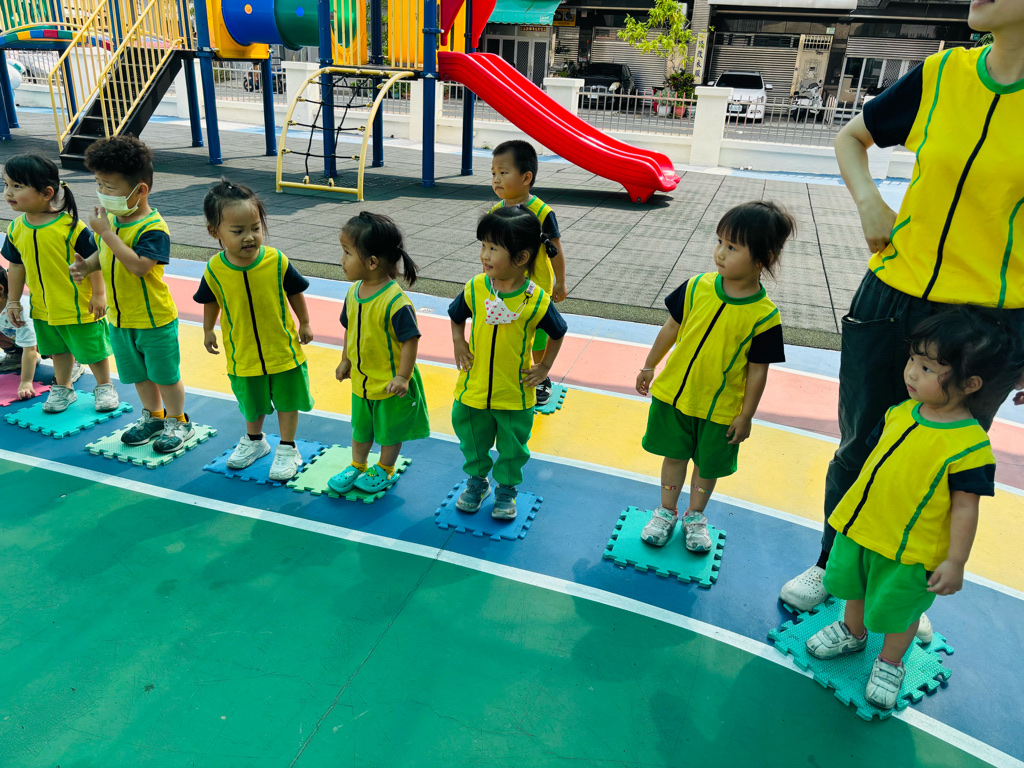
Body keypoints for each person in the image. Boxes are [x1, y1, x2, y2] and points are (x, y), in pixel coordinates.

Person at [780, 0, 1024, 617]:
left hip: (989, 326)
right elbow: (851, 137)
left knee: (939, 464)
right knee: (861, 443)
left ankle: (903, 590)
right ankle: (833, 562)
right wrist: (869, 202)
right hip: (894, 297)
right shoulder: (943, 73)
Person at [805, 308, 1023, 710]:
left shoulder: (970, 447)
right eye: (912, 359)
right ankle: (853, 632)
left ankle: (891, 661)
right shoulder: (899, 412)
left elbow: (965, 509)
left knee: (901, 609)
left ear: (970, 383)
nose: (911, 373)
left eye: (927, 368)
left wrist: (955, 561)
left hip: (911, 551)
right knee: (854, 586)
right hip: (863, 528)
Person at [636, 201, 792, 552]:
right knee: (673, 457)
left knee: (707, 467)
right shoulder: (696, 287)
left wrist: (746, 415)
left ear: (763, 258)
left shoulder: (765, 317)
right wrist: (649, 365)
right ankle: (666, 511)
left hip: (720, 411)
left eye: (732, 247)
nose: (720, 253)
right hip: (675, 397)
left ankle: (695, 516)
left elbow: (758, 371)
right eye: (719, 242)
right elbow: (671, 328)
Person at [68, 135, 193, 453]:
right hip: (120, 319)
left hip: (153, 319)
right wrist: (87, 266)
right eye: (99, 184)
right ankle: (154, 416)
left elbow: (138, 266)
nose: (102, 192)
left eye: (109, 186)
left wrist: (106, 234)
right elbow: (106, 255)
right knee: (138, 375)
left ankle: (179, 421)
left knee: (165, 376)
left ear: (140, 190)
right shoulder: (112, 220)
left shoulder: (153, 228)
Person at [448, 206, 568, 519]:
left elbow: (558, 331)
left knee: (513, 447)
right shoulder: (476, 287)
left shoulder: (536, 299)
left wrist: (544, 368)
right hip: (473, 389)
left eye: (493, 248)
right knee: (472, 440)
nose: (484, 255)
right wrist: (459, 342)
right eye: (483, 246)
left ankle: (506, 489)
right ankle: (477, 482)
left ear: (521, 257)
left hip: (514, 393)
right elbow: (456, 315)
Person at [193, 181, 314, 481]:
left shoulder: (276, 260)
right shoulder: (215, 269)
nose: (249, 237)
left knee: (287, 401)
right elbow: (211, 299)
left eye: (255, 228)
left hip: (282, 350)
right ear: (215, 232)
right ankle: (255, 440)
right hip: (243, 353)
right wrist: (208, 329)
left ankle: (287, 447)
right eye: (238, 231)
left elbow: (295, 291)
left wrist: (305, 322)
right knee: (251, 403)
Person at [1, 153, 119, 413]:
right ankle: (64, 388)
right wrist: (13, 301)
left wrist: (99, 294)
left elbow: (95, 261)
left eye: (17, 186)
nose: (8, 192)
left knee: (93, 349)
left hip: (78, 306)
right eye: (6, 184)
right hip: (44, 308)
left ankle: (104, 386)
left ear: (47, 192)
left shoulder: (71, 227)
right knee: (57, 350)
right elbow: (16, 266)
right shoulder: (16, 228)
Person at [328, 212, 430, 494]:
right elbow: (350, 328)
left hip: (389, 384)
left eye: (347, 253)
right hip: (362, 381)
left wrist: (403, 377)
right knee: (360, 428)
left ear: (372, 262)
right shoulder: (354, 292)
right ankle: (357, 465)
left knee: (388, 431)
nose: (341, 260)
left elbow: (410, 340)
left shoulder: (395, 302)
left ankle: (385, 468)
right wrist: (346, 359)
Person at [489, 140, 567, 406]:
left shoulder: (542, 212)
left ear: (526, 178)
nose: (496, 179)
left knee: (539, 335)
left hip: (537, 288)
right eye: (493, 173)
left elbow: (555, 250)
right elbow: (489, 250)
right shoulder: (495, 213)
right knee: (508, 330)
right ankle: (511, 370)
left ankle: (541, 375)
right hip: (504, 287)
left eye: (503, 172)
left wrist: (560, 282)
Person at [0, 264, 40, 397]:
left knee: (50, 347)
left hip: (42, 342)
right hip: (17, 339)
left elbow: (30, 348)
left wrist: (26, 382)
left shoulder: (20, 311)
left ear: (0, 289)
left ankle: (70, 363)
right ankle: (16, 355)